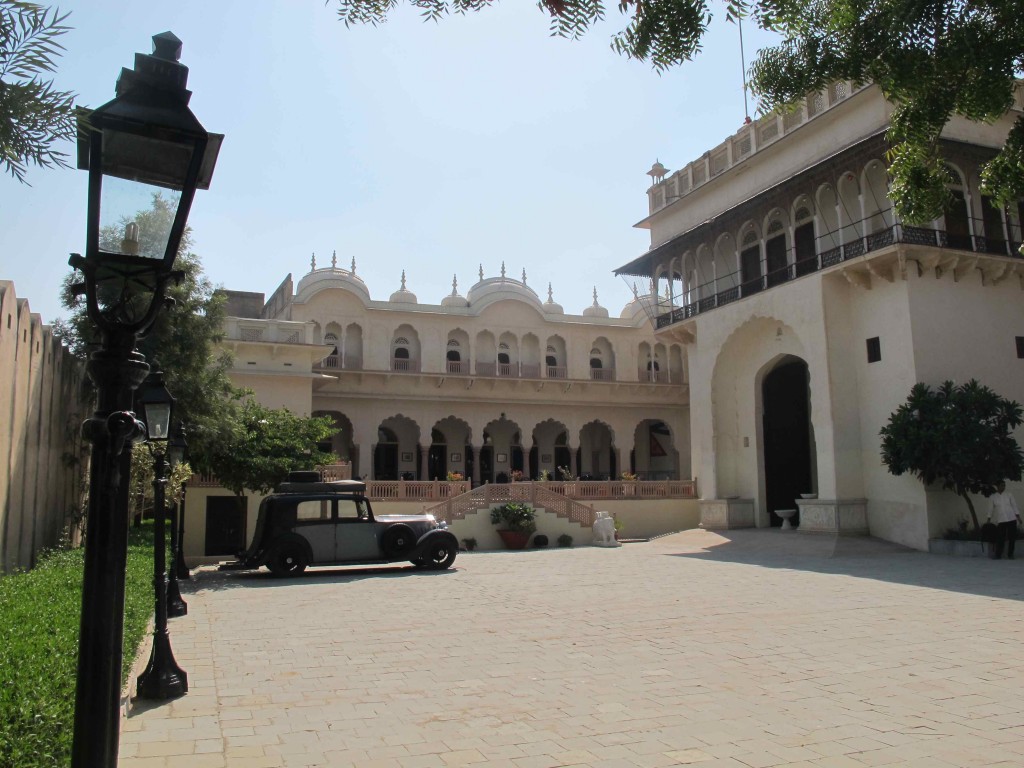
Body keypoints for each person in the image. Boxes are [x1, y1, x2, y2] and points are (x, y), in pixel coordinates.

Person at [988, 481, 1022, 559]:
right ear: (997, 486)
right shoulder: (993, 497)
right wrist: (989, 519)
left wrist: (1018, 517)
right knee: (1000, 538)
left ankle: (1010, 554)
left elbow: (1014, 506)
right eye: (1002, 485)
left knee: (1012, 538)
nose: (1003, 487)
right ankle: (998, 554)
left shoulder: (1009, 495)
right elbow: (990, 508)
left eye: (1004, 486)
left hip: (1011, 518)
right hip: (1001, 520)